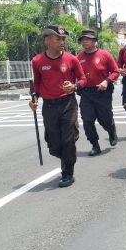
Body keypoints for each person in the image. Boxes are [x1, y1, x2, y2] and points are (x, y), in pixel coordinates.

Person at [29, 25, 87, 187]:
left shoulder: (72, 59)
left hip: (68, 103)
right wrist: (34, 99)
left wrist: (75, 87)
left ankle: (67, 172)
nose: (62, 42)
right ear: (47, 39)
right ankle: (64, 157)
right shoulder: (37, 61)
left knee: (68, 140)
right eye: (58, 38)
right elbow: (37, 84)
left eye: (63, 39)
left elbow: (83, 79)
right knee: (54, 144)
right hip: (49, 106)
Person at [77, 29, 120, 156]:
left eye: (88, 39)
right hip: (86, 93)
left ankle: (111, 131)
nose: (85, 42)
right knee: (87, 120)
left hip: (102, 92)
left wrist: (107, 81)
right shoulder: (78, 58)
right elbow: (75, 75)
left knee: (105, 119)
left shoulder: (105, 55)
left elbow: (116, 71)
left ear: (95, 41)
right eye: (83, 39)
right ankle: (95, 145)